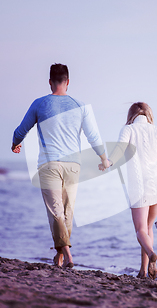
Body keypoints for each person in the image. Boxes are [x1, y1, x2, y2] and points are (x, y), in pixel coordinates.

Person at [11, 63, 109, 268]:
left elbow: (21, 130)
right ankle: (62, 256)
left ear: (49, 82)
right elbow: (93, 136)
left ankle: (66, 256)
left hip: (49, 164)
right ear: (68, 82)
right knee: (67, 212)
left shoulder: (39, 104)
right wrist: (104, 158)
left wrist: (15, 143)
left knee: (56, 211)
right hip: (73, 165)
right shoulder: (81, 106)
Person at [100, 102, 157, 279]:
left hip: (139, 186)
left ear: (131, 116)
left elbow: (118, 151)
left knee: (141, 230)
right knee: (148, 227)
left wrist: (108, 162)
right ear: (148, 115)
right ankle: (144, 270)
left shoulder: (128, 130)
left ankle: (151, 254)